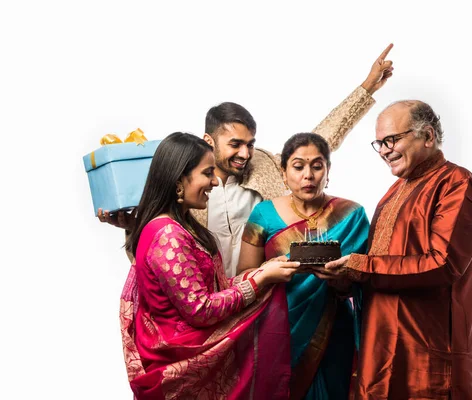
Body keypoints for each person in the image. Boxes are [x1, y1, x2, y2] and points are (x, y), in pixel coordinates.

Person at [99, 44, 394, 277]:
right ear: (208, 141)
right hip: (205, 300)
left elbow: (321, 139)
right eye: (235, 145)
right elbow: (158, 248)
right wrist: (129, 225)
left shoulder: (266, 166)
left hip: (263, 300)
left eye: (250, 144)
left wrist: (365, 89)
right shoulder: (186, 184)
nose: (245, 153)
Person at [318, 101, 472, 399]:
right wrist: (342, 278)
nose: (383, 150)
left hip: (426, 355)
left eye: (392, 140)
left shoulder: (457, 184)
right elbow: (377, 269)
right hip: (378, 353)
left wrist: (361, 267)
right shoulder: (394, 192)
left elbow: (443, 264)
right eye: (379, 143)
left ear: (428, 136)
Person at [120, 132, 301, 400]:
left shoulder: (179, 226)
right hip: (182, 368)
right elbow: (201, 309)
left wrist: (262, 271)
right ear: (180, 178)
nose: (215, 181)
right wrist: (260, 280)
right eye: (207, 173)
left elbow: (215, 289)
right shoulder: (168, 234)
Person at [238, 133, 370, 400]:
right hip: (278, 328)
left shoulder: (352, 214)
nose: (308, 175)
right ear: (284, 171)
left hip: (333, 328)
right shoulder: (262, 214)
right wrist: (269, 270)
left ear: (328, 170)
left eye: (317, 166)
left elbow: (368, 279)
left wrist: (340, 279)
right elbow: (243, 278)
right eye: (298, 166)